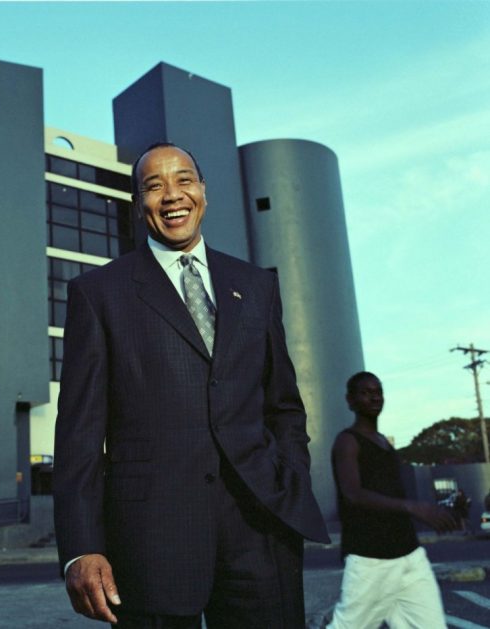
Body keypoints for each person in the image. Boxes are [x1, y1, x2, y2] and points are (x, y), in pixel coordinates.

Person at [53, 142, 328, 628]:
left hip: (261, 528)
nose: (172, 195)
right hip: (150, 540)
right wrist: (81, 547)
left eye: (184, 180)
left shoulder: (256, 285)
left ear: (203, 191)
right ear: (138, 203)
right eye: (153, 186)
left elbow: (283, 405)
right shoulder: (98, 294)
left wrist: (291, 476)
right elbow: (79, 434)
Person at [328, 371, 457, 628]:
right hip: (371, 562)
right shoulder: (347, 441)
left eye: (378, 392)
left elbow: (392, 496)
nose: (374, 397)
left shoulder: (385, 444)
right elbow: (352, 494)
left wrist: (436, 511)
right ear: (350, 401)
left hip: (410, 557)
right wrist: (412, 507)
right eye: (365, 393)